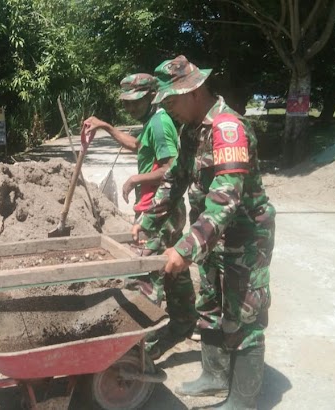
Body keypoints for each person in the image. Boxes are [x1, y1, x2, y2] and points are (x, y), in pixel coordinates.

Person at [140, 55, 276, 409]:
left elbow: (226, 199)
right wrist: (148, 221)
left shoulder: (228, 129)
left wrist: (185, 248)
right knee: (211, 304)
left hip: (244, 237)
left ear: (194, 92)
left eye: (172, 100)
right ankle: (214, 376)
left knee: (243, 312)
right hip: (213, 236)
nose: (169, 108)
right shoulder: (191, 131)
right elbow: (175, 180)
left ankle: (243, 401)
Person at [83, 73, 197, 358]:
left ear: (151, 96)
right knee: (171, 268)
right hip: (161, 208)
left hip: (159, 208)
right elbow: (137, 146)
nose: (130, 108)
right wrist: (107, 127)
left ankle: (136, 345)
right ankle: (184, 323)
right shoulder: (152, 121)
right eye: (127, 104)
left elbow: (173, 167)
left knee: (143, 276)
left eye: (135, 103)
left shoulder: (159, 124)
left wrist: (136, 179)